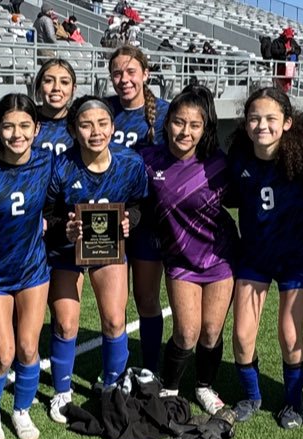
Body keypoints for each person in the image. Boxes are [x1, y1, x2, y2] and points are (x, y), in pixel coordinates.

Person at [141, 85, 238, 418]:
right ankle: (170, 386)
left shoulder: (218, 164)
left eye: (195, 125)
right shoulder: (149, 160)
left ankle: (204, 386)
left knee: (211, 331)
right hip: (179, 259)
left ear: (204, 128)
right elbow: (130, 196)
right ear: (168, 122)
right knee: (186, 332)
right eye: (179, 122)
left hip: (219, 257)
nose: (185, 131)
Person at [225, 87, 303, 426]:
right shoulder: (239, 158)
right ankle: (252, 396)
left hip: (295, 259)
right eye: (254, 118)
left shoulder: (301, 158)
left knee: (290, 335)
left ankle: (293, 402)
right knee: (241, 335)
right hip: (254, 257)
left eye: (270, 118)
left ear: (287, 122)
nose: (261, 125)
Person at [46, 96, 146, 423]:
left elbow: (140, 205)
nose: (95, 131)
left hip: (108, 248)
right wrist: (65, 229)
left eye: (102, 124)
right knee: (65, 323)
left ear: (113, 127)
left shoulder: (130, 163)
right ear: (73, 130)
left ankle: (112, 386)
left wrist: (130, 219)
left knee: (115, 320)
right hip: (66, 251)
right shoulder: (60, 166)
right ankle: (62, 390)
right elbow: (46, 214)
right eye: (86, 125)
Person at [0, 94, 56, 439]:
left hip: (33, 270)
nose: (16, 134)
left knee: (29, 349)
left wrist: (52, 221)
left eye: (24, 126)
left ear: (37, 129)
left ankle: (21, 410)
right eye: (8, 126)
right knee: (3, 352)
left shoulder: (47, 161)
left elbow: (62, 201)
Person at [106, 45, 171, 374]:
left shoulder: (165, 114)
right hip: (106, 219)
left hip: (147, 221)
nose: (124, 79)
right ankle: (113, 372)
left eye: (131, 72)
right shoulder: (104, 109)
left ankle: (150, 369)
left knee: (146, 299)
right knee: (113, 309)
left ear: (146, 74)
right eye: (117, 73)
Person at [31, 58, 77, 156]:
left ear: (73, 89)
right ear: (39, 87)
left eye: (64, 82)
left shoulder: (79, 123)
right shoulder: (27, 120)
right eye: (48, 81)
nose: (56, 88)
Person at [271, 27, 301, 93]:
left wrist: (292, 50)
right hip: (280, 65)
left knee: (287, 84)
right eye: (287, 37)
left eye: (290, 38)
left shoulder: (292, 41)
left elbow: (299, 50)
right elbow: (274, 51)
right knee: (278, 82)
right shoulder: (277, 41)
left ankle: (285, 93)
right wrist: (285, 51)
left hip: (290, 66)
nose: (288, 39)